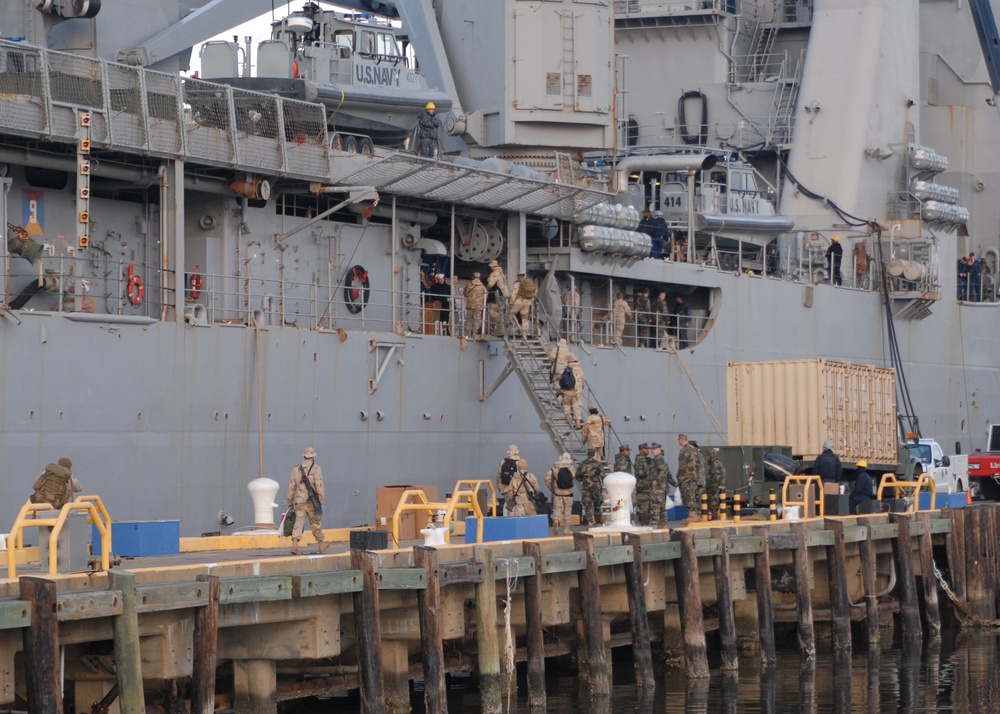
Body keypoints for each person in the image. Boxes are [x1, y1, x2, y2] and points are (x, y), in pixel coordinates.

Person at [287, 447, 329, 554]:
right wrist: (320, 499)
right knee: (315, 522)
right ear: (313, 457)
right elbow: (319, 485)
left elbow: (291, 487)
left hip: (299, 501)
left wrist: (290, 502)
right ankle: (321, 544)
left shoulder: (296, 469)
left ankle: (295, 545)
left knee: (298, 522)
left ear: (304, 456)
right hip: (311, 501)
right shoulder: (316, 468)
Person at [677, 434, 706, 523]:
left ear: (681, 440)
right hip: (697, 479)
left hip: (687, 478)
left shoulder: (684, 450)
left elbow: (682, 466)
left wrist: (679, 478)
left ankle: (692, 515)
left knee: (688, 496)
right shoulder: (695, 450)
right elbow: (701, 464)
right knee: (696, 497)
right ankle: (698, 515)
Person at [576, 448, 608, 525]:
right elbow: (602, 475)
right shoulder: (598, 464)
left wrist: (584, 480)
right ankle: (598, 521)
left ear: (587, 453)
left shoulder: (582, 464)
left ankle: (590, 521)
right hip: (596, 486)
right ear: (594, 453)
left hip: (585, 487)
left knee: (587, 504)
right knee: (597, 504)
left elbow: (577, 476)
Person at [545, 453, 576, 534]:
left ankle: (556, 521)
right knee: (567, 511)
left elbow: (547, 478)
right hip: (568, 493)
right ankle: (567, 529)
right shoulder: (571, 468)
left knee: (557, 509)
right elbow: (573, 477)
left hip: (557, 493)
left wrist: (552, 488)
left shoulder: (555, 468)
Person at [649, 443, 676, 527]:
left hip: (658, 488)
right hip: (661, 488)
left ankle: (655, 524)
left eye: (654, 449)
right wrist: (674, 484)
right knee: (661, 507)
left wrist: (657, 480)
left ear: (659, 449)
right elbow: (668, 475)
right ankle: (663, 524)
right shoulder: (656, 460)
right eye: (652, 449)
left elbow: (663, 471)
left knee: (655, 506)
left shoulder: (659, 459)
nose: (652, 451)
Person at [559, 354, 585, 429]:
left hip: (567, 391)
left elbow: (560, 378)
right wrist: (580, 389)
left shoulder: (566, 369)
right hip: (577, 391)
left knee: (566, 403)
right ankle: (578, 422)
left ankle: (569, 416)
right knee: (576, 405)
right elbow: (583, 383)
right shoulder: (581, 371)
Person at [632, 443, 654, 526]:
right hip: (643, 488)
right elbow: (640, 473)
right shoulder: (639, 460)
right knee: (643, 509)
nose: (647, 450)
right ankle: (643, 524)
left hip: (649, 487)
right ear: (641, 450)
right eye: (645, 449)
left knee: (649, 508)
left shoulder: (648, 460)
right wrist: (649, 469)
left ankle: (646, 523)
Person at [485, 259, 509, 335]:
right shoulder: (502, 274)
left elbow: (491, 284)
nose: (490, 268)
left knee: (491, 311)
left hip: (497, 296)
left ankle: (504, 321)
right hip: (504, 296)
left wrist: (485, 290)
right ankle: (499, 330)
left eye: (491, 267)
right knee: (500, 312)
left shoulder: (494, 273)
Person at [497, 444, 521, 514]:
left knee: (510, 508)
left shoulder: (503, 462)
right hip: (517, 490)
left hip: (506, 490)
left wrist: (501, 489)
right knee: (518, 508)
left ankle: (510, 518)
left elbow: (498, 476)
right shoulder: (519, 462)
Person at [703, 448, 727, 520]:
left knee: (713, 507)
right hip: (715, 489)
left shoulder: (715, 464)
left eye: (708, 455)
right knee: (712, 508)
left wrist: (711, 489)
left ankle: (713, 520)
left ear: (712, 455)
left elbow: (716, 478)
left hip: (715, 490)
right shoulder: (715, 464)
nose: (706, 457)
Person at [463, 272, 487, 338]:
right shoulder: (482, 286)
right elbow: (486, 295)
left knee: (469, 319)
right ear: (479, 278)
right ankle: (474, 333)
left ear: (472, 277)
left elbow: (465, 293)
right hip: (478, 305)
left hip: (469, 305)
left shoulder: (468, 285)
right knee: (477, 319)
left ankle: (469, 333)